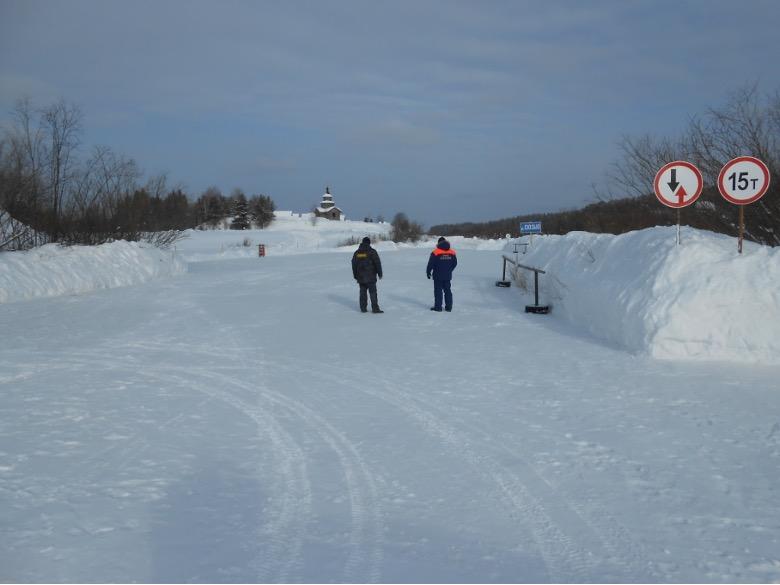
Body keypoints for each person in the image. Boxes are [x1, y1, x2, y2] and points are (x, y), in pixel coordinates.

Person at [351, 237, 384, 313]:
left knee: (362, 292)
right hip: (371, 277)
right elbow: (377, 263)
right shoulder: (372, 252)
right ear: (369, 243)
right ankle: (375, 308)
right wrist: (380, 273)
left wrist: (355, 275)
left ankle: (363, 308)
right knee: (372, 292)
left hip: (361, 277)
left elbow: (354, 264)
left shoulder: (357, 253)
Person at [426, 236, 457, 312]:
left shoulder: (435, 252)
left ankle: (438, 307)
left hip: (437, 275)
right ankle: (449, 307)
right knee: (448, 291)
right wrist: (449, 270)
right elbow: (455, 263)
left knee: (438, 291)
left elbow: (431, 264)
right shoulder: (452, 252)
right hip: (447, 276)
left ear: (438, 243)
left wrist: (428, 272)